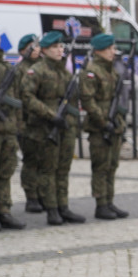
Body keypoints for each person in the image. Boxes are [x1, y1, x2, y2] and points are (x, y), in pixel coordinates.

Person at [22, 31, 84, 226]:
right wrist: (50, 115)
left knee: (63, 168)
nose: (60, 50)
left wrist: (71, 121)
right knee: (48, 169)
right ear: (46, 50)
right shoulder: (36, 71)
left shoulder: (64, 72)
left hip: (64, 126)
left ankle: (63, 206)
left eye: (61, 47)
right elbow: (27, 97)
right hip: (45, 127)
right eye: (55, 47)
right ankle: (52, 209)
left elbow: (73, 100)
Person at [79, 33, 129, 220]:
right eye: (109, 49)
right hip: (99, 126)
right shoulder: (91, 71)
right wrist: (103, 121)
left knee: (112, 165)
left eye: (113, 48)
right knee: (100, 166)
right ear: (99, 51)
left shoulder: (112, 71)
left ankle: (109, 201)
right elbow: (88, 100)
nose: (112, 52)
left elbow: (116, 99)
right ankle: (101, 204)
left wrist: (118, 119)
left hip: (113, 124)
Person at [0, 24, 26, 232]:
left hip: (8, 129)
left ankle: (4, 210)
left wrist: (18, 126)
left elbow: (16, 99)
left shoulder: (6, 68)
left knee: (6, 171)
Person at [15, 34, 43, 214]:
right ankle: (31, 196)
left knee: (44, 161)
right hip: (26, 121)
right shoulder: (19, 70)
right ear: (23, 50)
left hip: (43, 121)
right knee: (31, 161)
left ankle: (43, 194)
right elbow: (18, 98)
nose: (35, 49)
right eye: (31, 47)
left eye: (37, 46)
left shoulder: (43, 67)